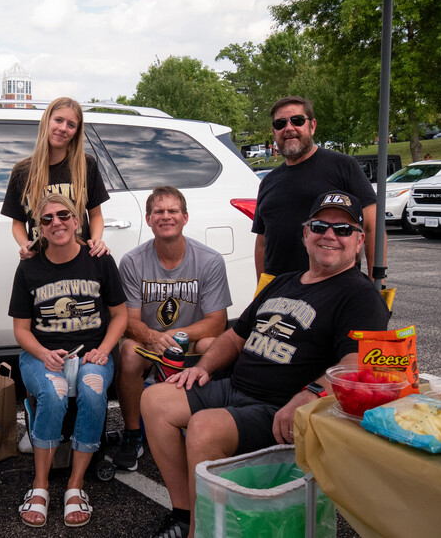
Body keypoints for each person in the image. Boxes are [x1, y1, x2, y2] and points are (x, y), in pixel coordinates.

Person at [142, 190, 391, 538]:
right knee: (155, 399)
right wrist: (204, 368)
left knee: (204, 427)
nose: (330, 235)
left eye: (344, 229)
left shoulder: (359, 294)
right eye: (320, 226)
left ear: (359, 240)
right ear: (306, 234)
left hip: (280, 408)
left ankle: (202, 532)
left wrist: (308, 395)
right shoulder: (284, 282)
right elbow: (234, 336)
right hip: (236, 388)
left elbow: (357, 361)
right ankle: (185, 513)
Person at [9, 193, 127, 528]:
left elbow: (119, 315)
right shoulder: (30, 266)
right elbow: (20, 329)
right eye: (47, 219)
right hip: (41, 354)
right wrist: (43, 354)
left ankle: (76, 484)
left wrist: (104, 349)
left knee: (92, 390)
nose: (56, 223)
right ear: (39, 228)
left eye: (63, 215)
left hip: (91, 353)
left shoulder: (99, 259)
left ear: (77, 220)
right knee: (55, 392)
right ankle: (41, 484)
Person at [113, 186, 232, 471]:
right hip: (150, 343)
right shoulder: (132, 261)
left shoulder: (210, 260)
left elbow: (218, 322)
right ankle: (132, 433)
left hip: (189, 341)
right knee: (129, 352)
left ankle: (205, 424)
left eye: (173, 211)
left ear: (185, 217)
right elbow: (129, 321)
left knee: (210, 346)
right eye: (159, 212)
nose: (166, 217)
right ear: (148, 219)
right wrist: (154, 337)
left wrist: (179, 337)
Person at [253, 96, 381, 292]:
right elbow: (262, 241)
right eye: (280, 124)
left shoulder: (343, 166)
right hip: (280, 292)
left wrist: (375, 281)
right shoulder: (268, 182)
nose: (288, 128)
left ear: (312, 126)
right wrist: (262, 290)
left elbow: (373, 227)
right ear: (274, 132)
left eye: (297, 120)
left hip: (334, 290)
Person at [1, 97, 110, 260]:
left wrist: (96, 240)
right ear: (47, 121)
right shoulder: (23, 171)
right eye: (58, 120)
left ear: (76, 132)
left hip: (80, 259)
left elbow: (95, 215)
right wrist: (24, 244)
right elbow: (17, 223)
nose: (63, 128)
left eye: (71, 125)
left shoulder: (86, 165)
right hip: (41, 262)